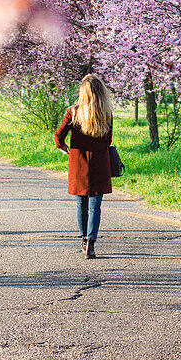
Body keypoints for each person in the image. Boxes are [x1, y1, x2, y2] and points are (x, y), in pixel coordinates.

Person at [54, 74, 113, 259]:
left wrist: (64, 148)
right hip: (100, 164)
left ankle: (83, 240)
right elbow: (108, 140)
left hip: (78, 163)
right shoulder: (106, 113)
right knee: (95, 206)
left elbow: (58, 136)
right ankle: (91, 243)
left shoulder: (73, 112)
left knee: (81, 204)